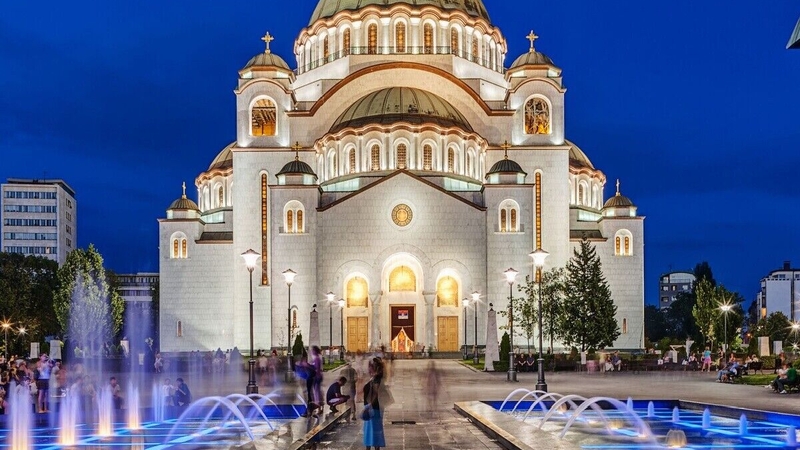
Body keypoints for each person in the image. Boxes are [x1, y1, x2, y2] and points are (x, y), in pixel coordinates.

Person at [362, 357, 386, 450]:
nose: (368, 369)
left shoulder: (376, 379)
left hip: (374, 408)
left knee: (374, 430)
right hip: (372, 407)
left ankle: (374, 448)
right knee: (370, 430)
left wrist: (369, 406)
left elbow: (376, 394)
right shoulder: (374, 378)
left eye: (369, 366)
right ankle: (370, 447)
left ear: (373, 367)